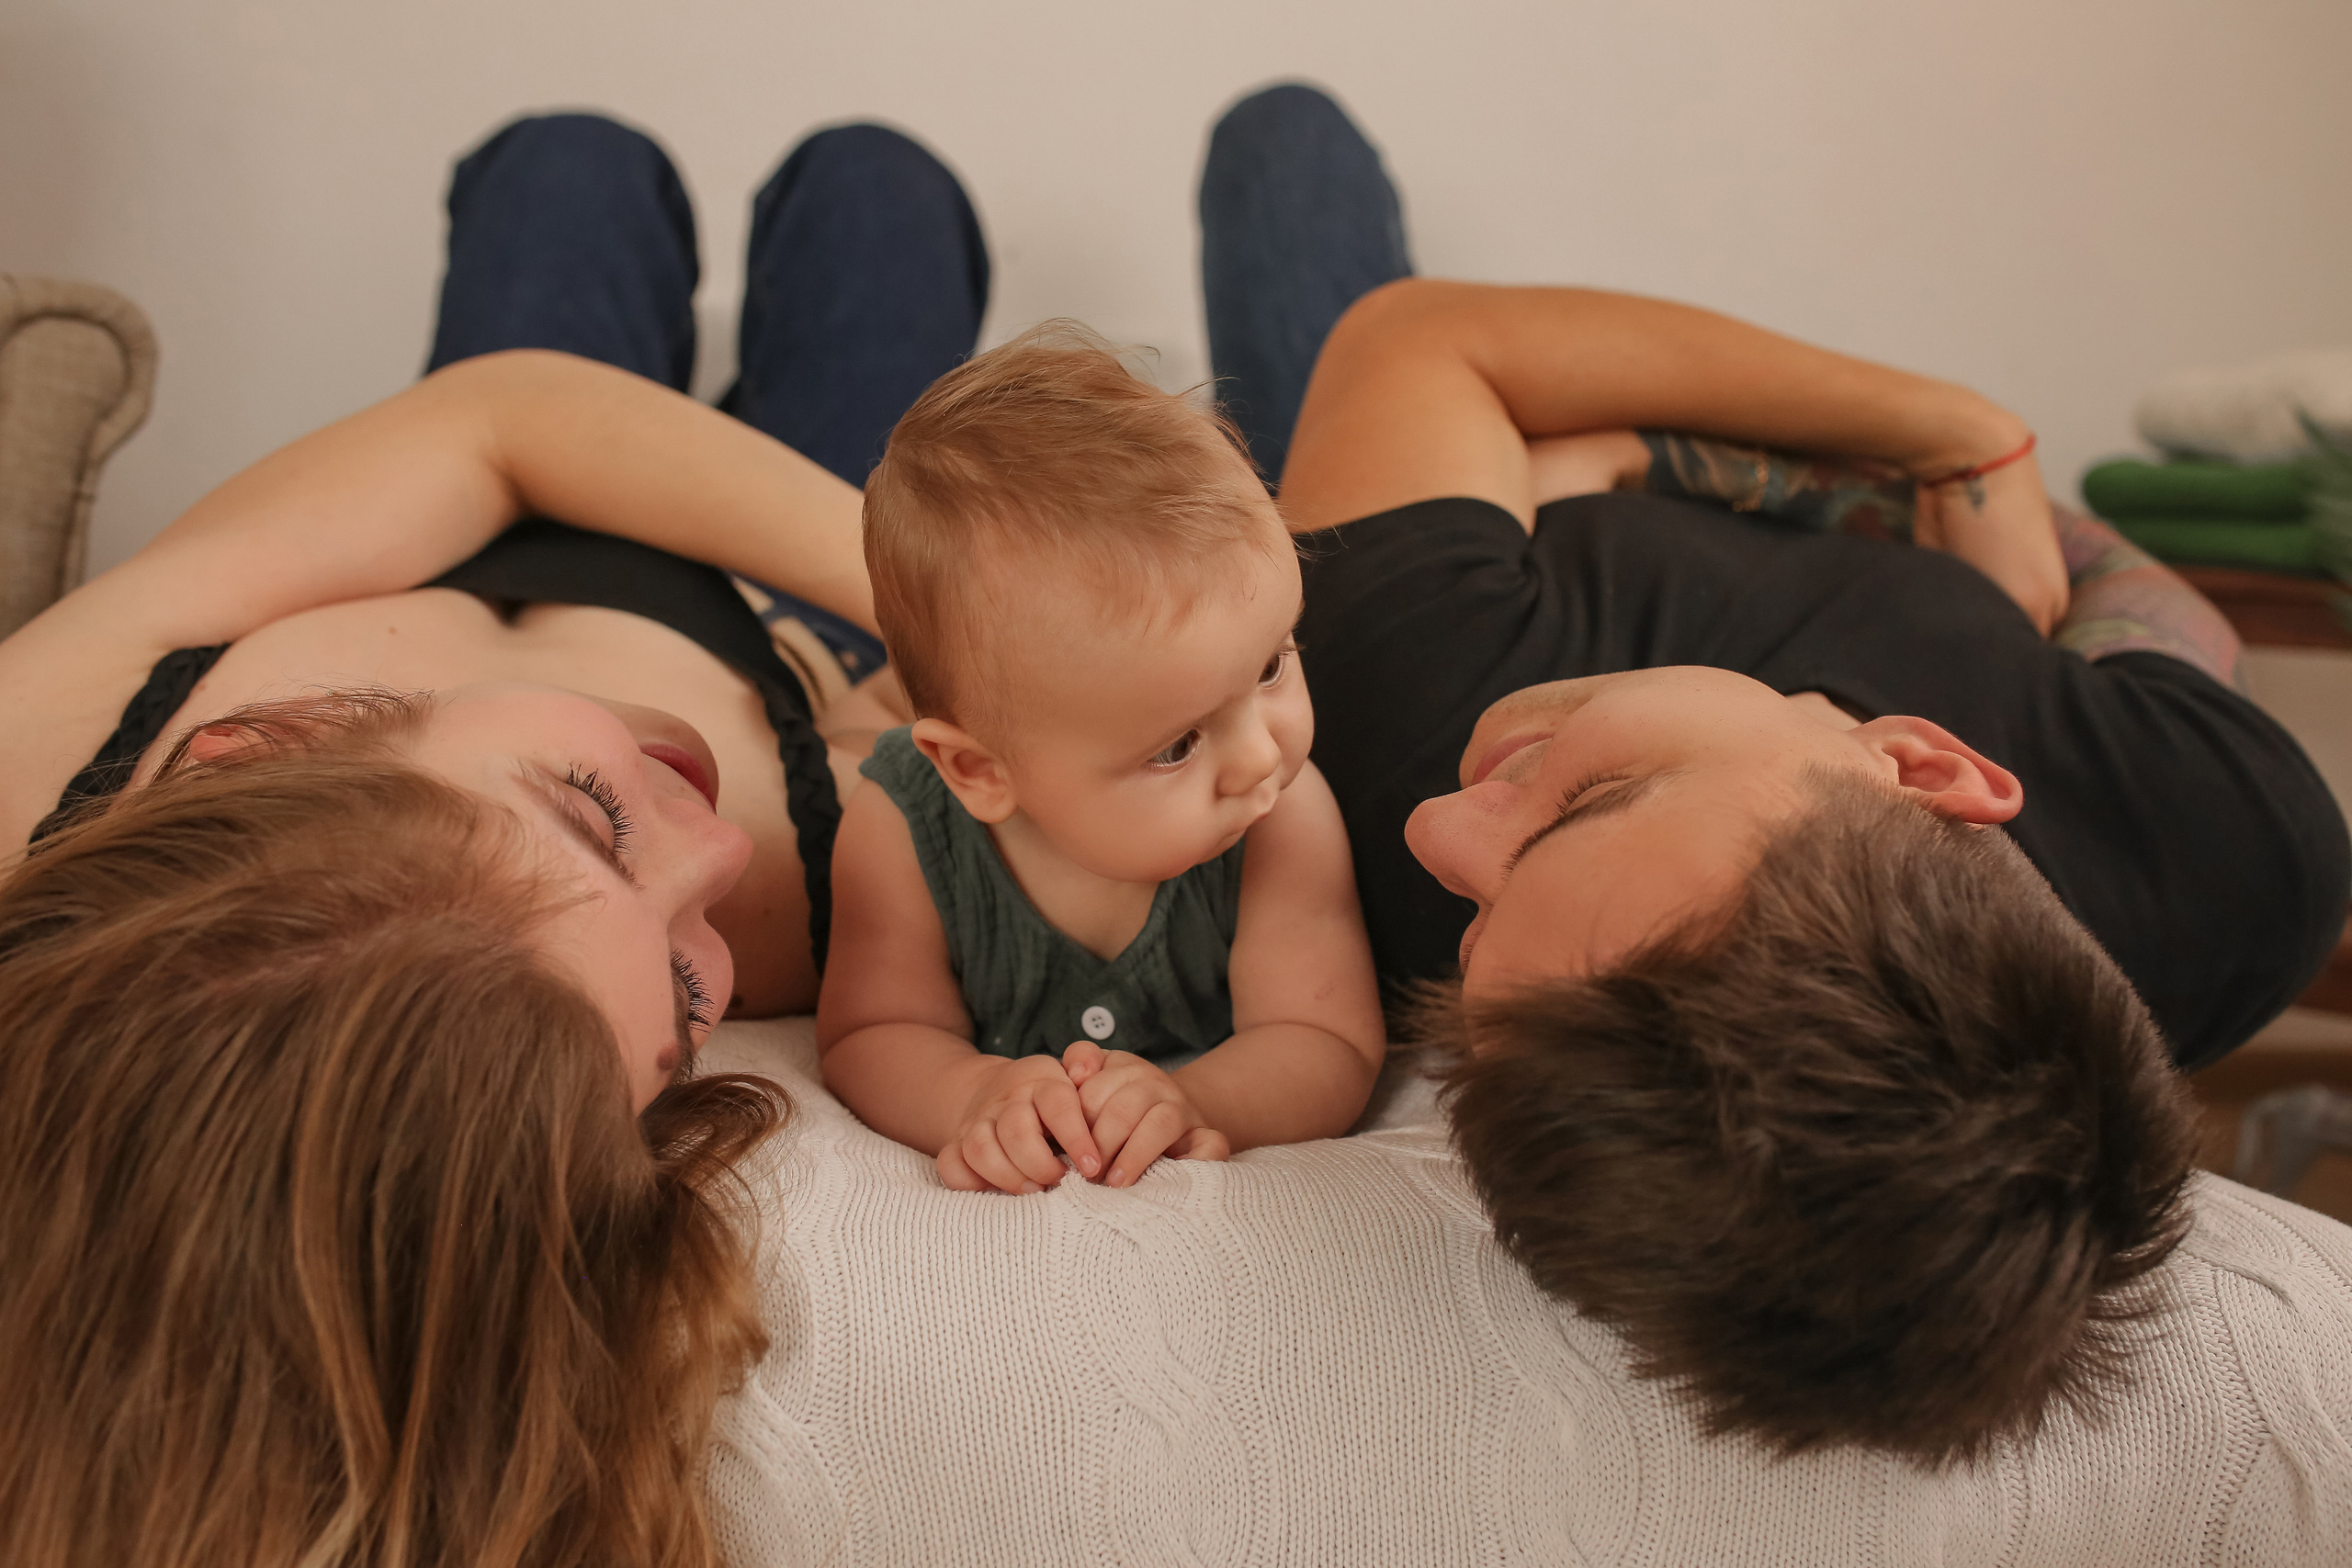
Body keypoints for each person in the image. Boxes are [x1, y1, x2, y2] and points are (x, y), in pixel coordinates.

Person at [1195, 83, 2351, 1463]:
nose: (1445, 818)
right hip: (1620, 484)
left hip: (1457, 525)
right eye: (1587, 799)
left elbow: (1422, 340)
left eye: (1471, 949)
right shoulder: (2245, 864)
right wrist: (1956, 438)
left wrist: (1616, 458)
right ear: (1923, 762)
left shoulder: (1398, 695)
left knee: (1281, 155)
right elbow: (2129, 593)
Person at [0, 111, 984, 1566]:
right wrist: (916, 657)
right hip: (790, 628)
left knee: (567, 164)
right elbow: (965, 744)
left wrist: (945, 594)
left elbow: (505, 423)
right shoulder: (807, 885)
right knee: (881, 188)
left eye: (591, 819)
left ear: (264, 747)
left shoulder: (55, 756)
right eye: (689, 997)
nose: (711, 858)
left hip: (515, 498)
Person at [815, 327, 1385, 1194]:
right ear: (979, 772)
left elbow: (1325, 1040)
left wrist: (1198, 1098)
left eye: (1272, 664)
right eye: (1176, 745)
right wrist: (970, 1092)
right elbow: (872, 1030)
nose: (1260, 754)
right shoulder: (899, 822)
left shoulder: (1281, 814)